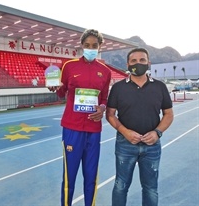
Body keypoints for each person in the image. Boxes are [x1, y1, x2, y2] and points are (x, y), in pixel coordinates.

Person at [49, 29, 111, 206]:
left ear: (99, 47)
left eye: (94, 46)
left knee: (91, 176)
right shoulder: (69, 66)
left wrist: (102, 108)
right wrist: (55, 88)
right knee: (69, 177)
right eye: (87, 45)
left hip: (93, 130)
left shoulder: (105, 72)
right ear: (82, 46)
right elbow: (61, 93)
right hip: (72, 129)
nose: (90, 48)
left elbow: (105, 98)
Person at [106, 47, 174, 206]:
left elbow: (169, 114)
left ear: (148, 63)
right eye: (134, 61)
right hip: (125, 144)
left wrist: (157, 132)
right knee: (120, 186)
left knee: (150, 188)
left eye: (142, 60)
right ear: (128, 64)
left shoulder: (160, 87)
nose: (138, 63)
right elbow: (109, 114)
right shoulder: (118, 88)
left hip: (152, 146)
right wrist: (125, 132)